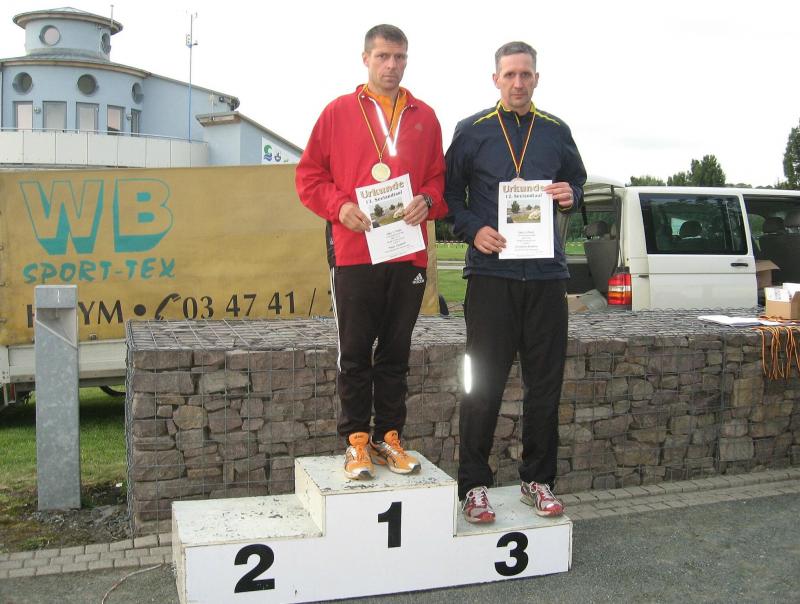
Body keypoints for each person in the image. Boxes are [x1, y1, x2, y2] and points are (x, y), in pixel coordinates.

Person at [295, 24, 446, 480]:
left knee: (396, 353)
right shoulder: (338, 112)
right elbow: (309, 177)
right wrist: (339, 207)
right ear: (366, 59)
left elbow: (438, 179)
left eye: (399, 57)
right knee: (356, 352)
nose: (391, 66)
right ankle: (357, 440)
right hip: (355, 252)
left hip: (407, 253)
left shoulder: (425, 116)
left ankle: (390, 438)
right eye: (383, 56)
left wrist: (429, 200)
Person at [444, 41, 586, 523]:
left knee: (545, 386)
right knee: (482, 385)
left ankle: (538, 480)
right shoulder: (472, 131)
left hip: (546, 276)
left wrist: (571, 195)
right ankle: (473, 486)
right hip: (491, 276)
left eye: (526, 74)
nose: (518, 83)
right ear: (496, 79)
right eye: (510, 74)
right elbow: (447, 196)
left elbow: (577, 185)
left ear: (537, 78)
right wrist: (473, 229)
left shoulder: (556, 131)